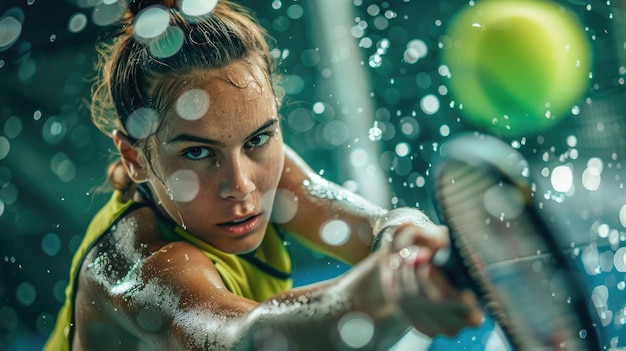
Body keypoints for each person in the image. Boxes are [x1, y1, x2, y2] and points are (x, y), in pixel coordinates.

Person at [45, 0, 483, 349]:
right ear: (135, 157)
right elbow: (249, 340)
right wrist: (387, 284)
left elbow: (376, 227)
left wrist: (410, 240)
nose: (242, 184)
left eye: (257, 139)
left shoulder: (263, 169)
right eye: (198, 152)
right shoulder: (136, 268)